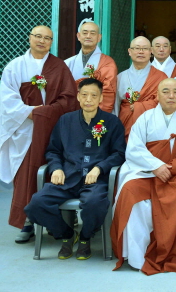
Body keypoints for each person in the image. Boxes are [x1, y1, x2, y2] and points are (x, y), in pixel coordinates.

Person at [111, 78, 176, 274]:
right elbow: (134, 149)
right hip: (147, 172)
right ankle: (137, 256)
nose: (171, 96)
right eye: (166, 91)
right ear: (157, 95)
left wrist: (173, 168)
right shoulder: (145, 118)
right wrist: (156, 166)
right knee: (130, 192)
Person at [24, 78, 125, 260]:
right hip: (67, 177)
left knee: (95, 204)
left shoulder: (112, 122)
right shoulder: (65, 121)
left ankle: (85, 237)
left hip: (94, 181)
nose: (88, 99)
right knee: (36, 205)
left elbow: (119, 153)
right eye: (84, 95)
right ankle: (68, 234)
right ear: (78, 97)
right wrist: (56, 168)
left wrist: (99, 168)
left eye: (93, 95)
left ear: (101, 98)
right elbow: (53, 150)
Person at [0, 25, 78, 243]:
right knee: (26, 176)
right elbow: (8, 101)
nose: (42, 41)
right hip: (24, 131)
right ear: (29, 38)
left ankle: (56, 220)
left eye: (47, 38)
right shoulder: (15, 67)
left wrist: (47, 113)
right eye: (38, 36)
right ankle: (26, 222)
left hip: (53, 130)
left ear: (52, 42)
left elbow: (69, 98)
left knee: (56, 172)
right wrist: (33, 113)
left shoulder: (59, 67)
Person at [114, 36, 168, 140]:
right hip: (124, 124)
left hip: (151, 127)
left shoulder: (161, 77)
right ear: (130, 51)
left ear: (151, 51)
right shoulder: (120, 77)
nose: (141, 52)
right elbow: (115, 106)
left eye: (145, 48)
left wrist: (140, 106)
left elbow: (165, 103)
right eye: (137, 48)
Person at [64, 21, 117, 113]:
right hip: (72, 113)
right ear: (78, 36)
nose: (88, 36)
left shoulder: (107, 63)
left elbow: (108, 94)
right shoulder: (68, 63)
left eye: (92, 33)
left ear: (99, 37)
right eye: (85, 33)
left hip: (96, 113)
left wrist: (96, 115)